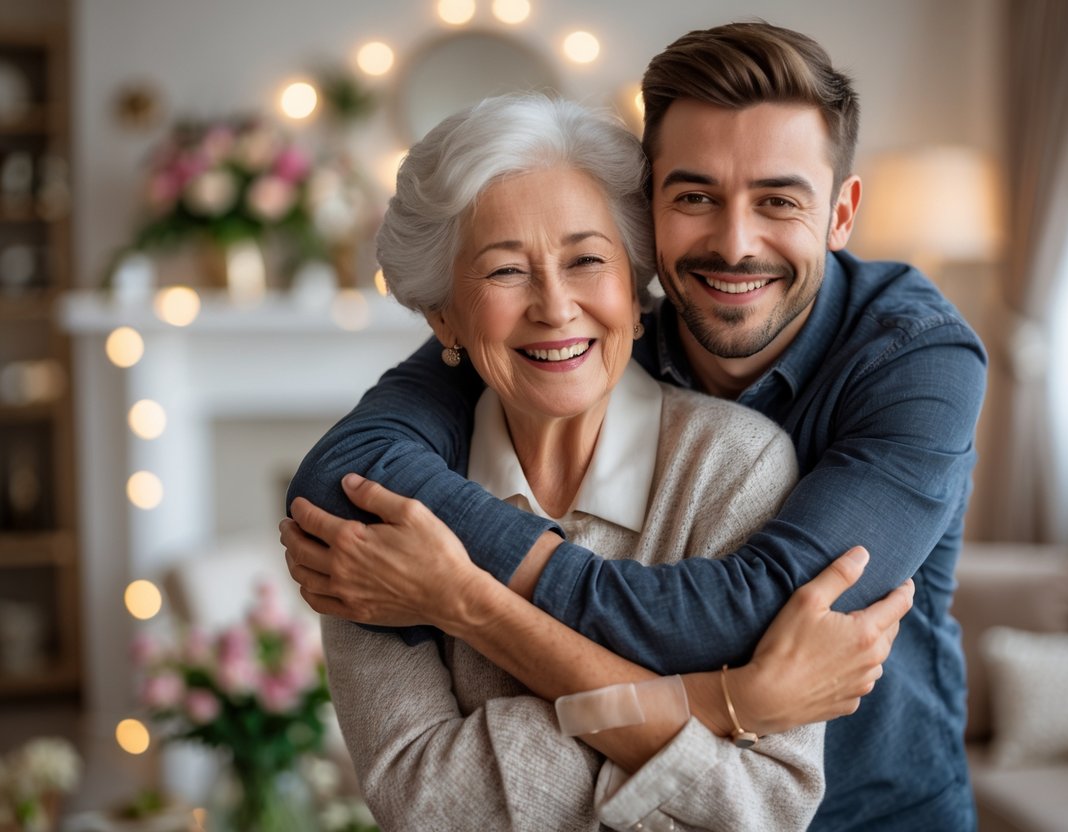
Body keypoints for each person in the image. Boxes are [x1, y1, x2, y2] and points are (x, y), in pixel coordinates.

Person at [285, 20, 986, 831]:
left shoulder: (914, 361)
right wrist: (728, 704)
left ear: (840, 213)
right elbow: (343, 470)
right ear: (648, 211)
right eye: (694, 196)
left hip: (881, 807)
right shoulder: (578, 331)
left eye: (778, 201)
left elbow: (743, 616)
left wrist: (465, 600)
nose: (733, 242)